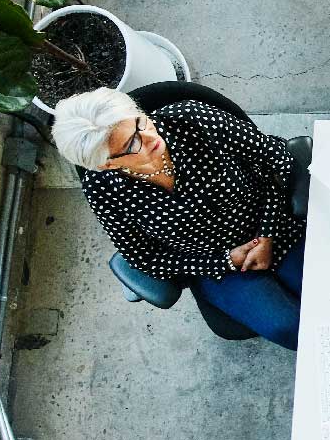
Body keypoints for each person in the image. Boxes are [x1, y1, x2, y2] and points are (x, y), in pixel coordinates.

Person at [50, 87, 305, 350]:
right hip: (214, 266)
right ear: (107, 164)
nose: (149, 136)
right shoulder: (101, 188)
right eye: (131, 144)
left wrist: (267, 234)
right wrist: (225, 261)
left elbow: (276, 157)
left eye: (139, 121)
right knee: (290, 328)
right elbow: (142, 257)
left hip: (272, 223)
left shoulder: (193, 119)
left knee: (329, 296)